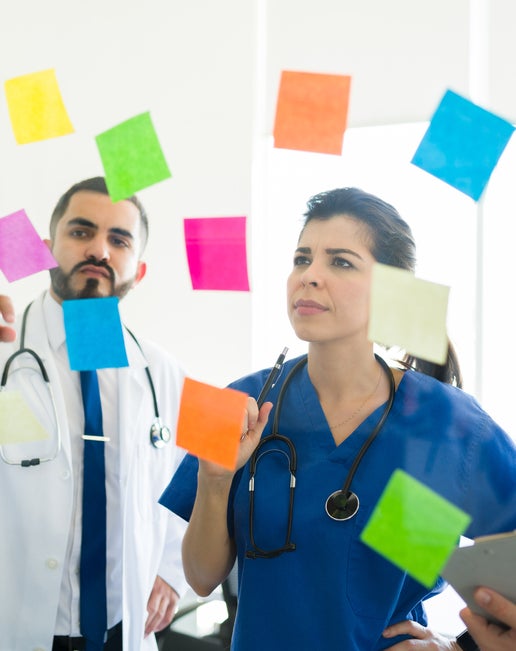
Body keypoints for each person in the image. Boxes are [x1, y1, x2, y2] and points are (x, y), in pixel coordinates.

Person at [159, 187, 516, 651]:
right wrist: (215, 478)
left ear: (393, 291)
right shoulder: (241, 401)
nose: (310, 276)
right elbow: (202, 578)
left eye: (340, 262)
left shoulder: (445, 423)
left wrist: (458, 646)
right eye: (302, 258)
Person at [0, 177, 188, 651]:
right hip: (17, 625)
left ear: (139, 270)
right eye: (81, 232)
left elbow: (189, 483)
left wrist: (171, 570)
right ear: (46, 249)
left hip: (122, 631)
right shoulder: (5, 356)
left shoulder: (164, 373)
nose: (99, 250)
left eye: (118, 240)